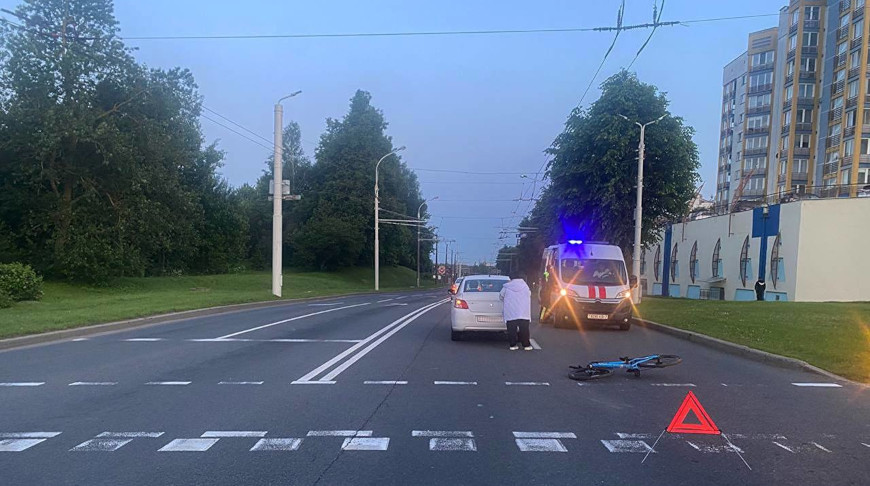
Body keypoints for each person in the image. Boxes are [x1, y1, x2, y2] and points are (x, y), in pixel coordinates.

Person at [500, 271, 532, 351]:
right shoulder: (525, 286)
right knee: (524, 329)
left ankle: (513, 345)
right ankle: (526, 345)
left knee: (511, 329)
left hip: (511, 311)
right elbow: (529, 294)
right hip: (523, 311)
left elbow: (501, 296)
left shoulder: (506, 287)